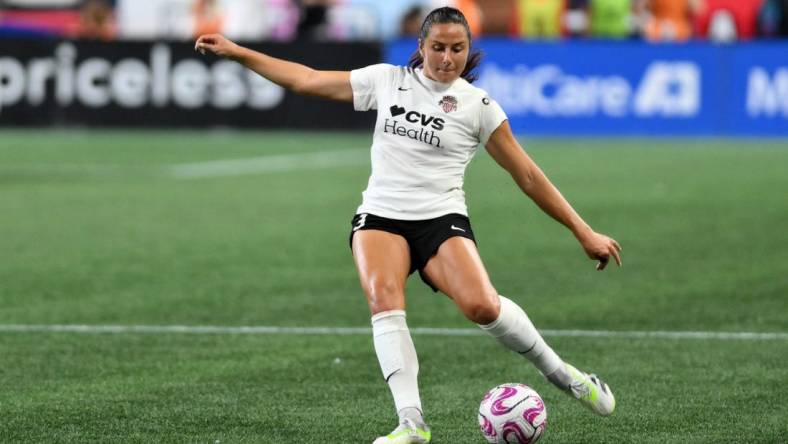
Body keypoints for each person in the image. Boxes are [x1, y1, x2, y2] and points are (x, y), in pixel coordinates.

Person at [195, 7, 621, 444]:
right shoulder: (387, 80)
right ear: (421, 47)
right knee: (383, 298)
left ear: (468, 50)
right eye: (438, 47)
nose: (447, 58)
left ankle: (564, 375)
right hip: (381, 216)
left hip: (441, 219)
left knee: (482, 307)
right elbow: (305, 78)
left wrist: (582, 231)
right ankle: (411, 423)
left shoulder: (479, 106)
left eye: (457, 48)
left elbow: (528, 176)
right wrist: (237, 52)